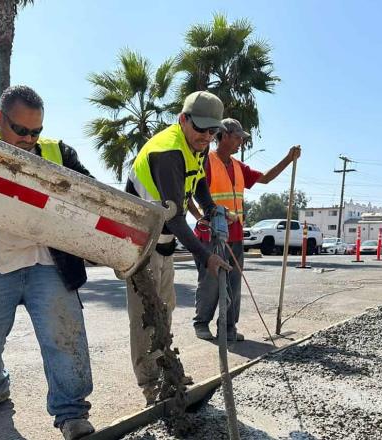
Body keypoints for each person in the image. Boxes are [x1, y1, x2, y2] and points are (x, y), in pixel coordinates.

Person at [0, 86, 95, 440]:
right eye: (20, 130)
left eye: (36, 131)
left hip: (48, 263)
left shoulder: (58, 153)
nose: (29, 139)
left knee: (64, 339)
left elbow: (93, 194)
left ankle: (71, 413)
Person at [125, 91, 232, 405]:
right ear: (183, 119)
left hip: (162, 242)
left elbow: (197, 179)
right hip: (138, 245)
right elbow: (174, 220)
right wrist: (205, 255)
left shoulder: (195, 145)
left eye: (213, 132)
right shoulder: (169, 152)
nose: (207, 137)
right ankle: (150, 385)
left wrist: (212, 209)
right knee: (145, 317)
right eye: (201, 130)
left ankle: (167, 372)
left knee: (165, 310)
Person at [188, 118, 301, 341]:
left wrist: (288, 159)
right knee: (210, 281)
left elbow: (266, 178)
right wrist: (201, 218)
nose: (241, 142)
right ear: (225, 135)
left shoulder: (238, 167)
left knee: (233, 283)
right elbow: (188, 194)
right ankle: (201, 323)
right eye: (239, 137)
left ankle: (228, 327)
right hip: (210, 234)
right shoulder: (206, 162)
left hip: (235, 233)